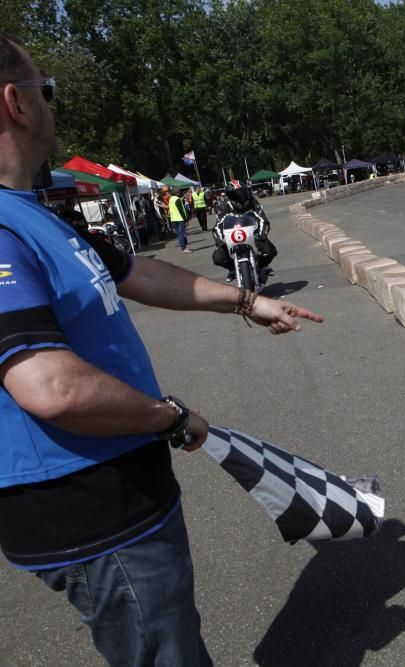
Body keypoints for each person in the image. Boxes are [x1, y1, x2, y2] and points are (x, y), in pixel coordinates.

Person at [0, 32, 324, 665]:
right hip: (88, 509)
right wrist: (170, 418)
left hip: (121, 493)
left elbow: (142, 275)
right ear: (16, 101)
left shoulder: (36, 213)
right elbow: (50, 386)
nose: (53, 104)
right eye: (49, 89)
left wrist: (247, 302)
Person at [211, 183, 278, 282]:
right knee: (218, 258)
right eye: (236, 195)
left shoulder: (253, 201)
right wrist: (220, 240)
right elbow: (218, 225)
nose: (239, 197)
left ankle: (263, 265)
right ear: (229, 196)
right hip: (231, 236)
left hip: (253, 234)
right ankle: (232, 269)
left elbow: (263, 220)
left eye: (241, 193)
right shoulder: (224, 205)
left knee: (271, 251)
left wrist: (262, 234)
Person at [167, 187, 190, 252]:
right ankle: (184, 248)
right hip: (180, 219)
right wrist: (186, 220)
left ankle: (184, 246)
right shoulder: (177, 199)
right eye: (179, 191)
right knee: (182, 234)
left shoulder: (170, 199)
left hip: (173, 219)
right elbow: (181, 210)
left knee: (179, 234)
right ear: (177, 192)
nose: (179, 192)